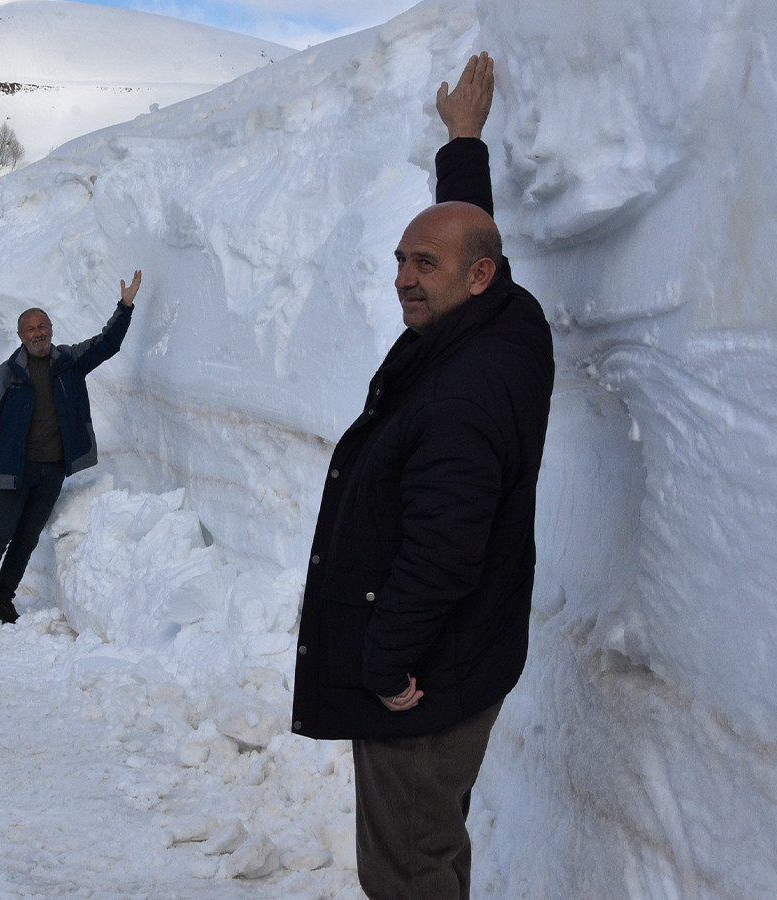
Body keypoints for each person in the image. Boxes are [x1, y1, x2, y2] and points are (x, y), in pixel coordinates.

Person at [290, 53, 553, 900]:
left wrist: (386, 667)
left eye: (423, 267)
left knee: (408, 870)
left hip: (425, 686)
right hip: (471, 656)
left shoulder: (463, 397)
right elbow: (472, 234)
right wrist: (465, 143)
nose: (403, 278)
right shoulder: (504, 319)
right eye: (401, 258)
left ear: (474, 278)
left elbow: (444, 549)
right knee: (431, 843)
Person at [0, 271, 143, 627]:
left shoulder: (68, 363)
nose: (38, 332)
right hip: (14, 470)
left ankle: (2, 600)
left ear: (51, 329)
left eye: (43, 325)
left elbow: (107, 344)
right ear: (20, 336)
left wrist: (124, 307)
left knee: (27, 539)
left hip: (52, 469)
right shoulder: (3, 375)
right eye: (31, 328)